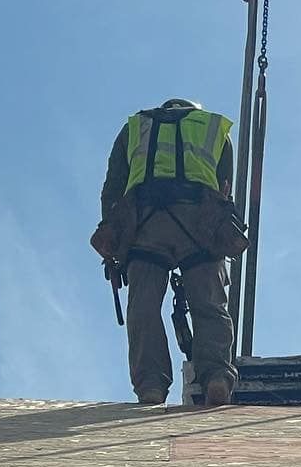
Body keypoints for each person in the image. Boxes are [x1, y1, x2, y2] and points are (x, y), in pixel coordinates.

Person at [91, 99, 245, 408]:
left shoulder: (135, 127)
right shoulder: (213, 129)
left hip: (147, 223)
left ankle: (151, 386)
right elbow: (224, 187)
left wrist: (113, 237)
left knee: (143, 306)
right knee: (211, 304)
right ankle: (216, 376)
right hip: (199, 221)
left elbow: (113, 188)